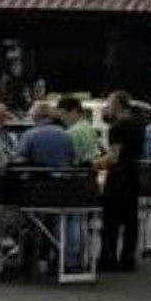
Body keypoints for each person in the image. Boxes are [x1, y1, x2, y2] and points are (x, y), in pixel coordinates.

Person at [96, 91, 144, 271]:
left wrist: (96, 164)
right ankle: (128, 258)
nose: (107, 108)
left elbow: (114, 157)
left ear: (117, 105)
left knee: (111, 220)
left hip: (117, 177)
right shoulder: (138, 124)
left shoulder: (117, 128)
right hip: (133, 175)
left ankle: (108, 258)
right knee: (131, 220)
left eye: (109, 104)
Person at [13, 102, 77, 168]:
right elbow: (72, 157)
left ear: (36, 117)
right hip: (64, 175)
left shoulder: (30, 135)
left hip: (39, 176)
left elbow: (21, 158)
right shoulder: (66, 134)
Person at [59, 96, 99, 166]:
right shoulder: (88, 126)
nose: (61, 118)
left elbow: (73, 157)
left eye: (63, 113)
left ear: (74, 111)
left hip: (79, 170)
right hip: (92, 168)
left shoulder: (72, 132)